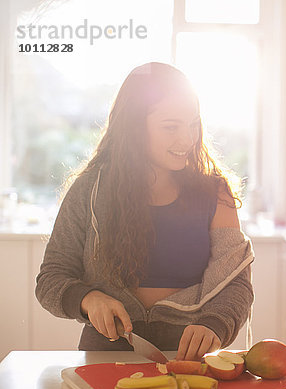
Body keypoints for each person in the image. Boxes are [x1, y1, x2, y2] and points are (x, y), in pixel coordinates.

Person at [36, 62, 254, 360]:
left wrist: (215, 324)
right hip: (104, 354)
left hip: (187, 357)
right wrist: (88, 298)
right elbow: (51, 279)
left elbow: (236, 284)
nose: (188, 139)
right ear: (134, 126)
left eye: (193, 124)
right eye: (170, 127)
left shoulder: (216, 193)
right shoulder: (89, 189)